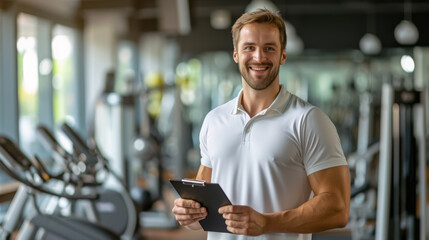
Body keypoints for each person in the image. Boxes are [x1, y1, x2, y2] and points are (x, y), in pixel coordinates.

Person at [172, 9, 350, 240]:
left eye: (269, 48)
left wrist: (268, 223)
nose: (259, 57)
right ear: (236, 54)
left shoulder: (309, 120)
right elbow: (204, 209)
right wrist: (189, 214)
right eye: (249, 48)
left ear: (282, 55)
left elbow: (337, 208)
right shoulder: (214, 120)